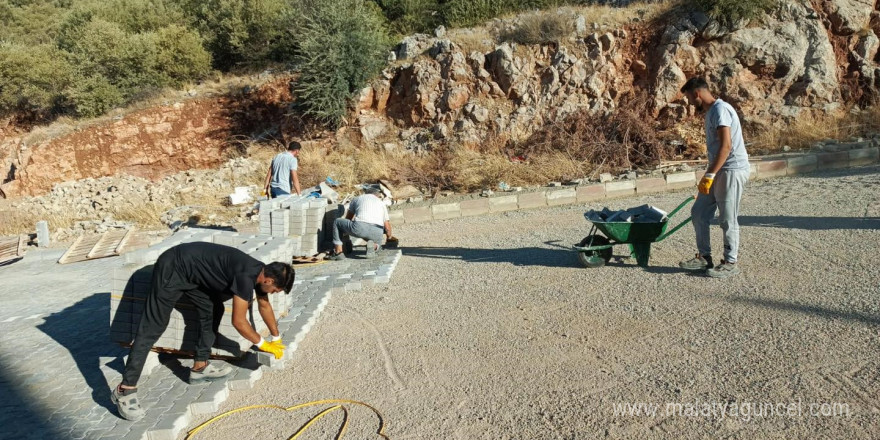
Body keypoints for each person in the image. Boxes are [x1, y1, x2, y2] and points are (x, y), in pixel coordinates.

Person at [111, 242, 294, 421]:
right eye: (276, 290)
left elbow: (264, 305)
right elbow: (239, 321)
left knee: (213, 308)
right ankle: (125, 389)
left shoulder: (260, 272)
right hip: (173, 267)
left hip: (191, 273)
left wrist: (276, 338)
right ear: (268, 280)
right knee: (153, 326)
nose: (274, 293)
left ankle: (200, 367)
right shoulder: (246, 276)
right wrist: (263, 344)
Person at [678, 77, 750, 278]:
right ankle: (704, 257)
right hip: (718, 170)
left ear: (696, 94)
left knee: (727, 218)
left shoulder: (720, 110)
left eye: (691, 100)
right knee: (699, 212)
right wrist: (710, 173)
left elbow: (726, 146)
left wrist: (710, 174)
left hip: (731, 170)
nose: (691, 104)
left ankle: (730, 262)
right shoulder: (712, 112)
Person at [329, 187, 392, 260]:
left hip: (360, 227)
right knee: (376, 243)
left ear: (366, 193)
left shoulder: (357, 199)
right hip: (378, 231)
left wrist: (345, 233)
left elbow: (349, 218)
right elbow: (387, 226)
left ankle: (338, 252)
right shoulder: (381, 203)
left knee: (337, 222)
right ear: (377, 195)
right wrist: (389, 238)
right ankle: (374, 246)